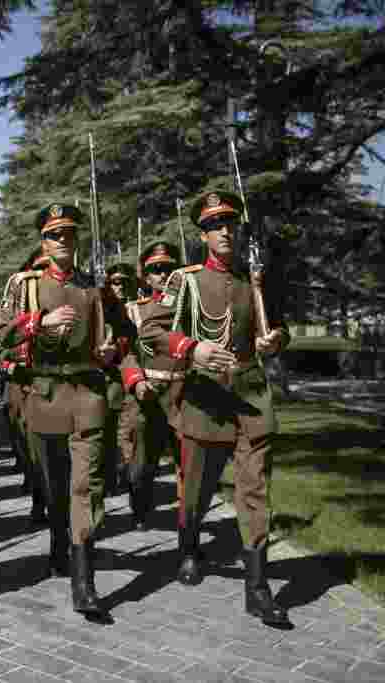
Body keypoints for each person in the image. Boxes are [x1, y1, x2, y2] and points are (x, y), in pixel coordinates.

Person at [141, 190, 290, 626]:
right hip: (204, 397)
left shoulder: (255, 280)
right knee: (197, 491)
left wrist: (275, 340)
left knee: (254, 490)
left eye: (230, 223)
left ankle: (258, 589)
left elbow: (278, 330)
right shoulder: (184, 280)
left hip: (249, 394)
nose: (224, 231)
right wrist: (192, 348)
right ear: (202, 234)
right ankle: (188, 546)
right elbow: (152, 332)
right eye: (214, 225)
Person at [0, 203, 120, 619]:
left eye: (68, 234)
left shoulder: (94, 286)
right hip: (45, 394)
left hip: (87, 393)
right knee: (54, 485)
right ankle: (56, 538)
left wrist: (111, 349)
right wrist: (38, 323)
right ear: (42, 242)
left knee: (87, 487)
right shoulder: (24, 285)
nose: (62, 241)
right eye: (54, 235)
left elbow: (127, 335)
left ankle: (84, 583)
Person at [118, 242, 187, 532]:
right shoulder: (135, 311)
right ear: (146, 277)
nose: (163, 274)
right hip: (148, 395)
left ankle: (188, 525)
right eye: (156, 270)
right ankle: (141, 507)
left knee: (189, 466)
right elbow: (127, 354)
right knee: (141, 467)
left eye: (169, 268)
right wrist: (136, 380)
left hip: (185, 394)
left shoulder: (190, 306)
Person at [0, 248, 50, 525]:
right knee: (28, 443)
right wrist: (7, 364)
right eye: (39, 267)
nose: (43, 273)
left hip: (56, 382)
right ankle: (39, 495)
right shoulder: (18, 297)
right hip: (21, 380)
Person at [100, 262, 138, 497]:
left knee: (131, 433)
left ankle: (131, 480)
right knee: (106, 432)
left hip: (135, 378)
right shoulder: (102, 309)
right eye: (115, 281)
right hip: (110, 377)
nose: (121, 286)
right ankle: (109, 479)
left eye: (125, 282)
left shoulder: (138, 307)